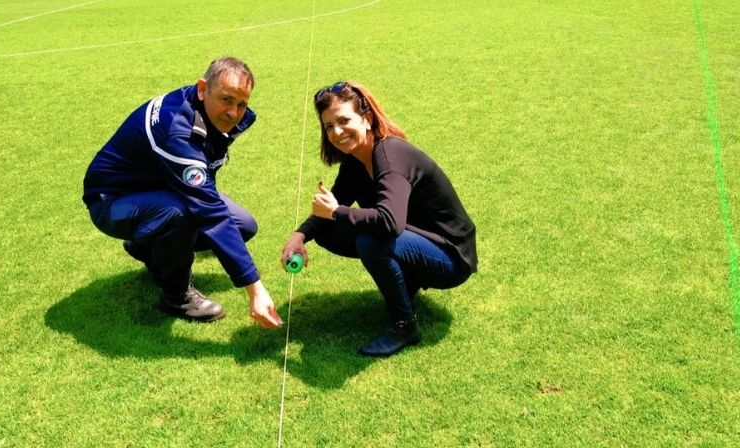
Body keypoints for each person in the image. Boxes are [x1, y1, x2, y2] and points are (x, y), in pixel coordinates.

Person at [83, 56, 282, 329]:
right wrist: (255, 290)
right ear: (203, 88)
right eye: (226, 100)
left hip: (157, 187)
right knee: (183, 212)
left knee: (242, 225)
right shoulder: (178, 131)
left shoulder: (198, 105)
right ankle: (176, 295)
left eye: (241, 104)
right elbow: (210, 213)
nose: (233, 112)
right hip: (112, 201)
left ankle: (148, 246)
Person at [281, 81, 477, 356]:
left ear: (367, 117)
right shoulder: (355, 161)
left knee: (371, 241)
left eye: (343, 120)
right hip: (419, 240)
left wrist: (337, 212)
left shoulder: (389, 153)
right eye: (328, 126)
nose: (336, 132)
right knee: (327, 231)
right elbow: (334, 203)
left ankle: (404, 326)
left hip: (451, 257)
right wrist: (299, 235)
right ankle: (407, 284)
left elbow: (389, 222)